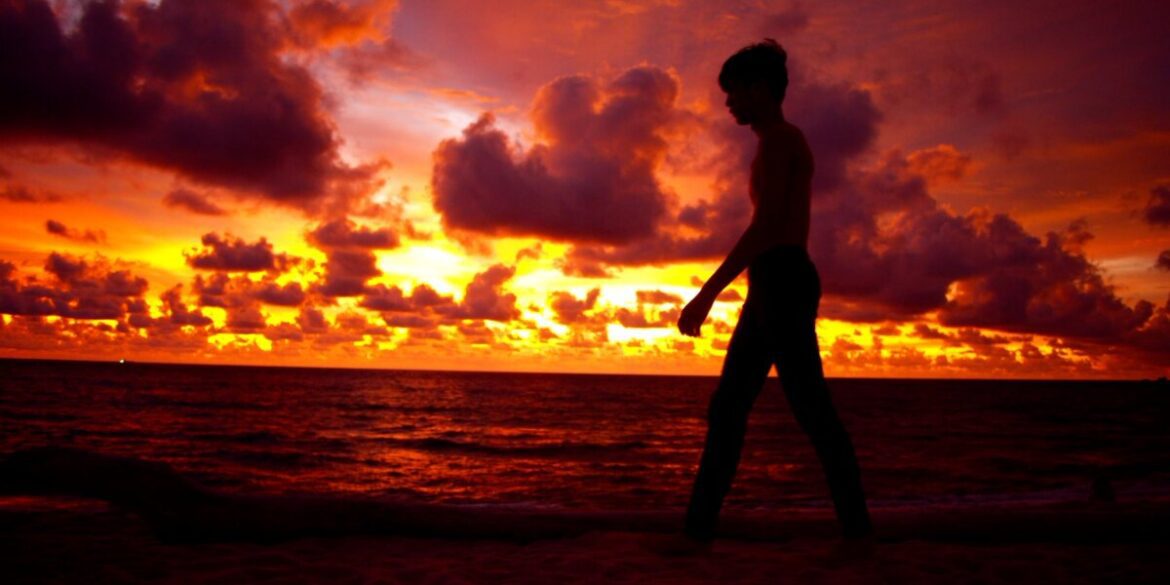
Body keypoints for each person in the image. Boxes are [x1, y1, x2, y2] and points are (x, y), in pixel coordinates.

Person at [676, 39, 872, 544]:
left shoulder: (784, 140)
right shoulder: (771, 144)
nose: (728, 102)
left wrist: (708, 292)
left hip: (782, 278)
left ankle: (858, 533)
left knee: (810, 410)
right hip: (769, 281)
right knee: (729, 407)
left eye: (735, 91)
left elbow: (767, 229)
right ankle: (697, 533)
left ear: (760, 89)